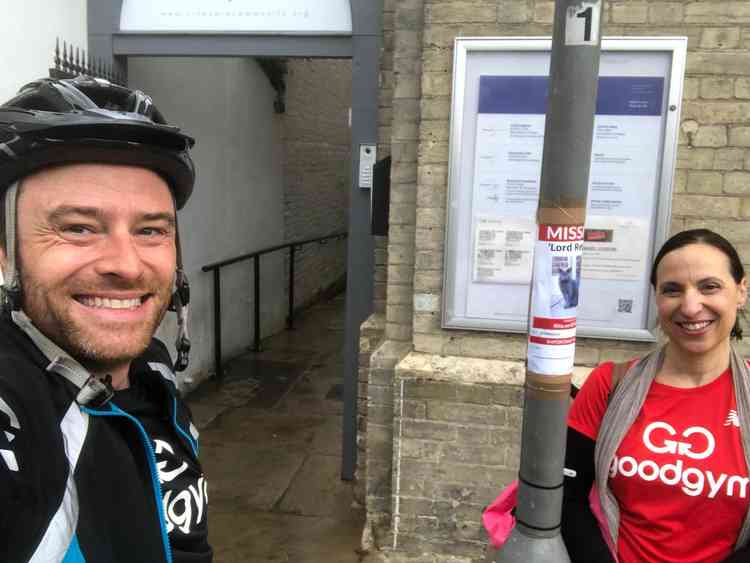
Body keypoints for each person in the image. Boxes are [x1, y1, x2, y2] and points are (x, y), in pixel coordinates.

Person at [0, 76, 212, 562]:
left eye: (151, 230)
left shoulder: (153, 369)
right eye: (78, 228)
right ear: (5, 255)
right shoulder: (15, 409)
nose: (128, 264)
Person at [562, 228, 750, 563]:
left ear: (741, 291)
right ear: (657, 298)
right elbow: (568, 501)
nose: (691, 307)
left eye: (709, 286)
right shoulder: (609, 385)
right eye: (672, 290)